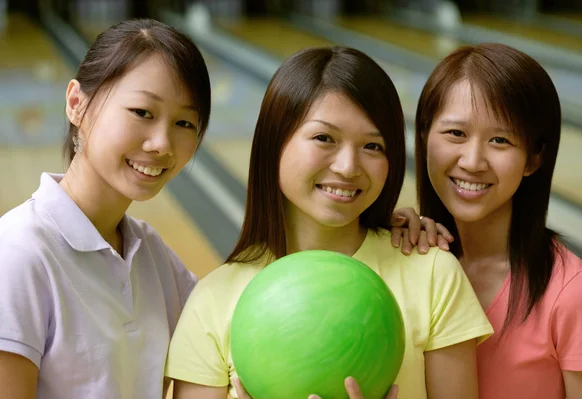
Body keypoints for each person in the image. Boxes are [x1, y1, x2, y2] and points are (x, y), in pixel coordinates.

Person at [164, 45, 493, 399]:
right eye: (324, 138)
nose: (348, 167)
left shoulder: (433, 275)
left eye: (372, 146)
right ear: (275, 142)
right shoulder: (213, 299)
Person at [0, 19, 211, 398]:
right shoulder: (17, 252)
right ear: (77, 104)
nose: (162, 143)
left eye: (184, 122)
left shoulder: (151, 253)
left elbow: (218, 344)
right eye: (142, 112)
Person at [407, 42, 582, 398]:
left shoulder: (570, 293)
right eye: (456, 134)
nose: (473, 160)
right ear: (423, 134)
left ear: (533, 159)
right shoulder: (402, 257)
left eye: (500, 140)